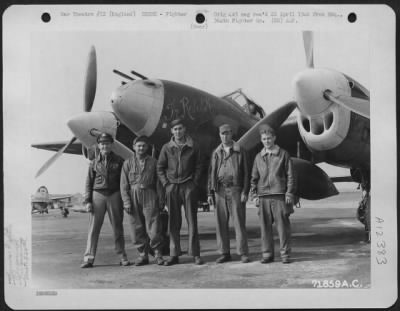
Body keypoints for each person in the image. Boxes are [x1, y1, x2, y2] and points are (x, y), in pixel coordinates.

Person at [157, 118, 203, 266]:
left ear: (185, 130)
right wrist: (166, 184)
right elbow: (160, 167)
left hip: (188, 186)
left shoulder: (193, 146)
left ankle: (195, 254)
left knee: (192, 221)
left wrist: (194, 183)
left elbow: (199, 165)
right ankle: (174, 254)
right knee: (173, 223)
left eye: (180, 128)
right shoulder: (166, 148)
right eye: (175, 129)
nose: (178, 132)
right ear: (172, 131)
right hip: (172, 187)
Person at [80, 133, 129, 268]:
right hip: (98, 195)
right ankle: (88, 258)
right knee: (93, 228)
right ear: (98, 145)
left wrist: (125, 199)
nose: (104, 146)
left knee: (117, 227)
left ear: (111, 144)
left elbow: (124, 182)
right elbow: (88, 183)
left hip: (114, 194)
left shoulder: (119, 161)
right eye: (102, 143)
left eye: (107, 143)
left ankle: (122, 256)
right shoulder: (94, 163)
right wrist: (88, 201)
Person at [250, 124, 295, 264]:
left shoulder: (283, 154)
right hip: (263, 196)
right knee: (265, 229)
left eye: (269, 138)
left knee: (283, 228)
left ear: (274, 138)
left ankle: (285, 255)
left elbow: (291, 176)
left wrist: (289, 193)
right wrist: (254, 195)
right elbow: (253, 178)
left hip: (279, 195)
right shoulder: (258, 157)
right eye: (264, 139)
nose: (267, 141)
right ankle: (267, 254)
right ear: (261, 140)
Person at [208, 124, 250, 263]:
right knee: (220, 223)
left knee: (238, 222)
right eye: (222, 133)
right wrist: (210, 192)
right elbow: (211, 173)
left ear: (232, 134)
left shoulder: (240, 151)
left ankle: (243, 252)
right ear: (219, 135)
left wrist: (245, 191)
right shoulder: (216, 152)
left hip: (235, 189)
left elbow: (246, 173)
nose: (225, 136)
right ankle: (224, 253)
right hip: (219, 190)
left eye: (227, 133)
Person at [120, 136, 165, 266]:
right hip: (133, 195)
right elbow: (123, 185)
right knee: (136, 227)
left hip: (150, 194)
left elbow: (158, 183)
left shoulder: (154, 162)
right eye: (138, 146)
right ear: (134, 147)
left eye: (143, 146)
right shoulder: (127, 163)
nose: (141, 148)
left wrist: (161, 199)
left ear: (147, 147)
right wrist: (127, 202)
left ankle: (158, 254)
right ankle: (142, 255)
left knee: (154, 225)